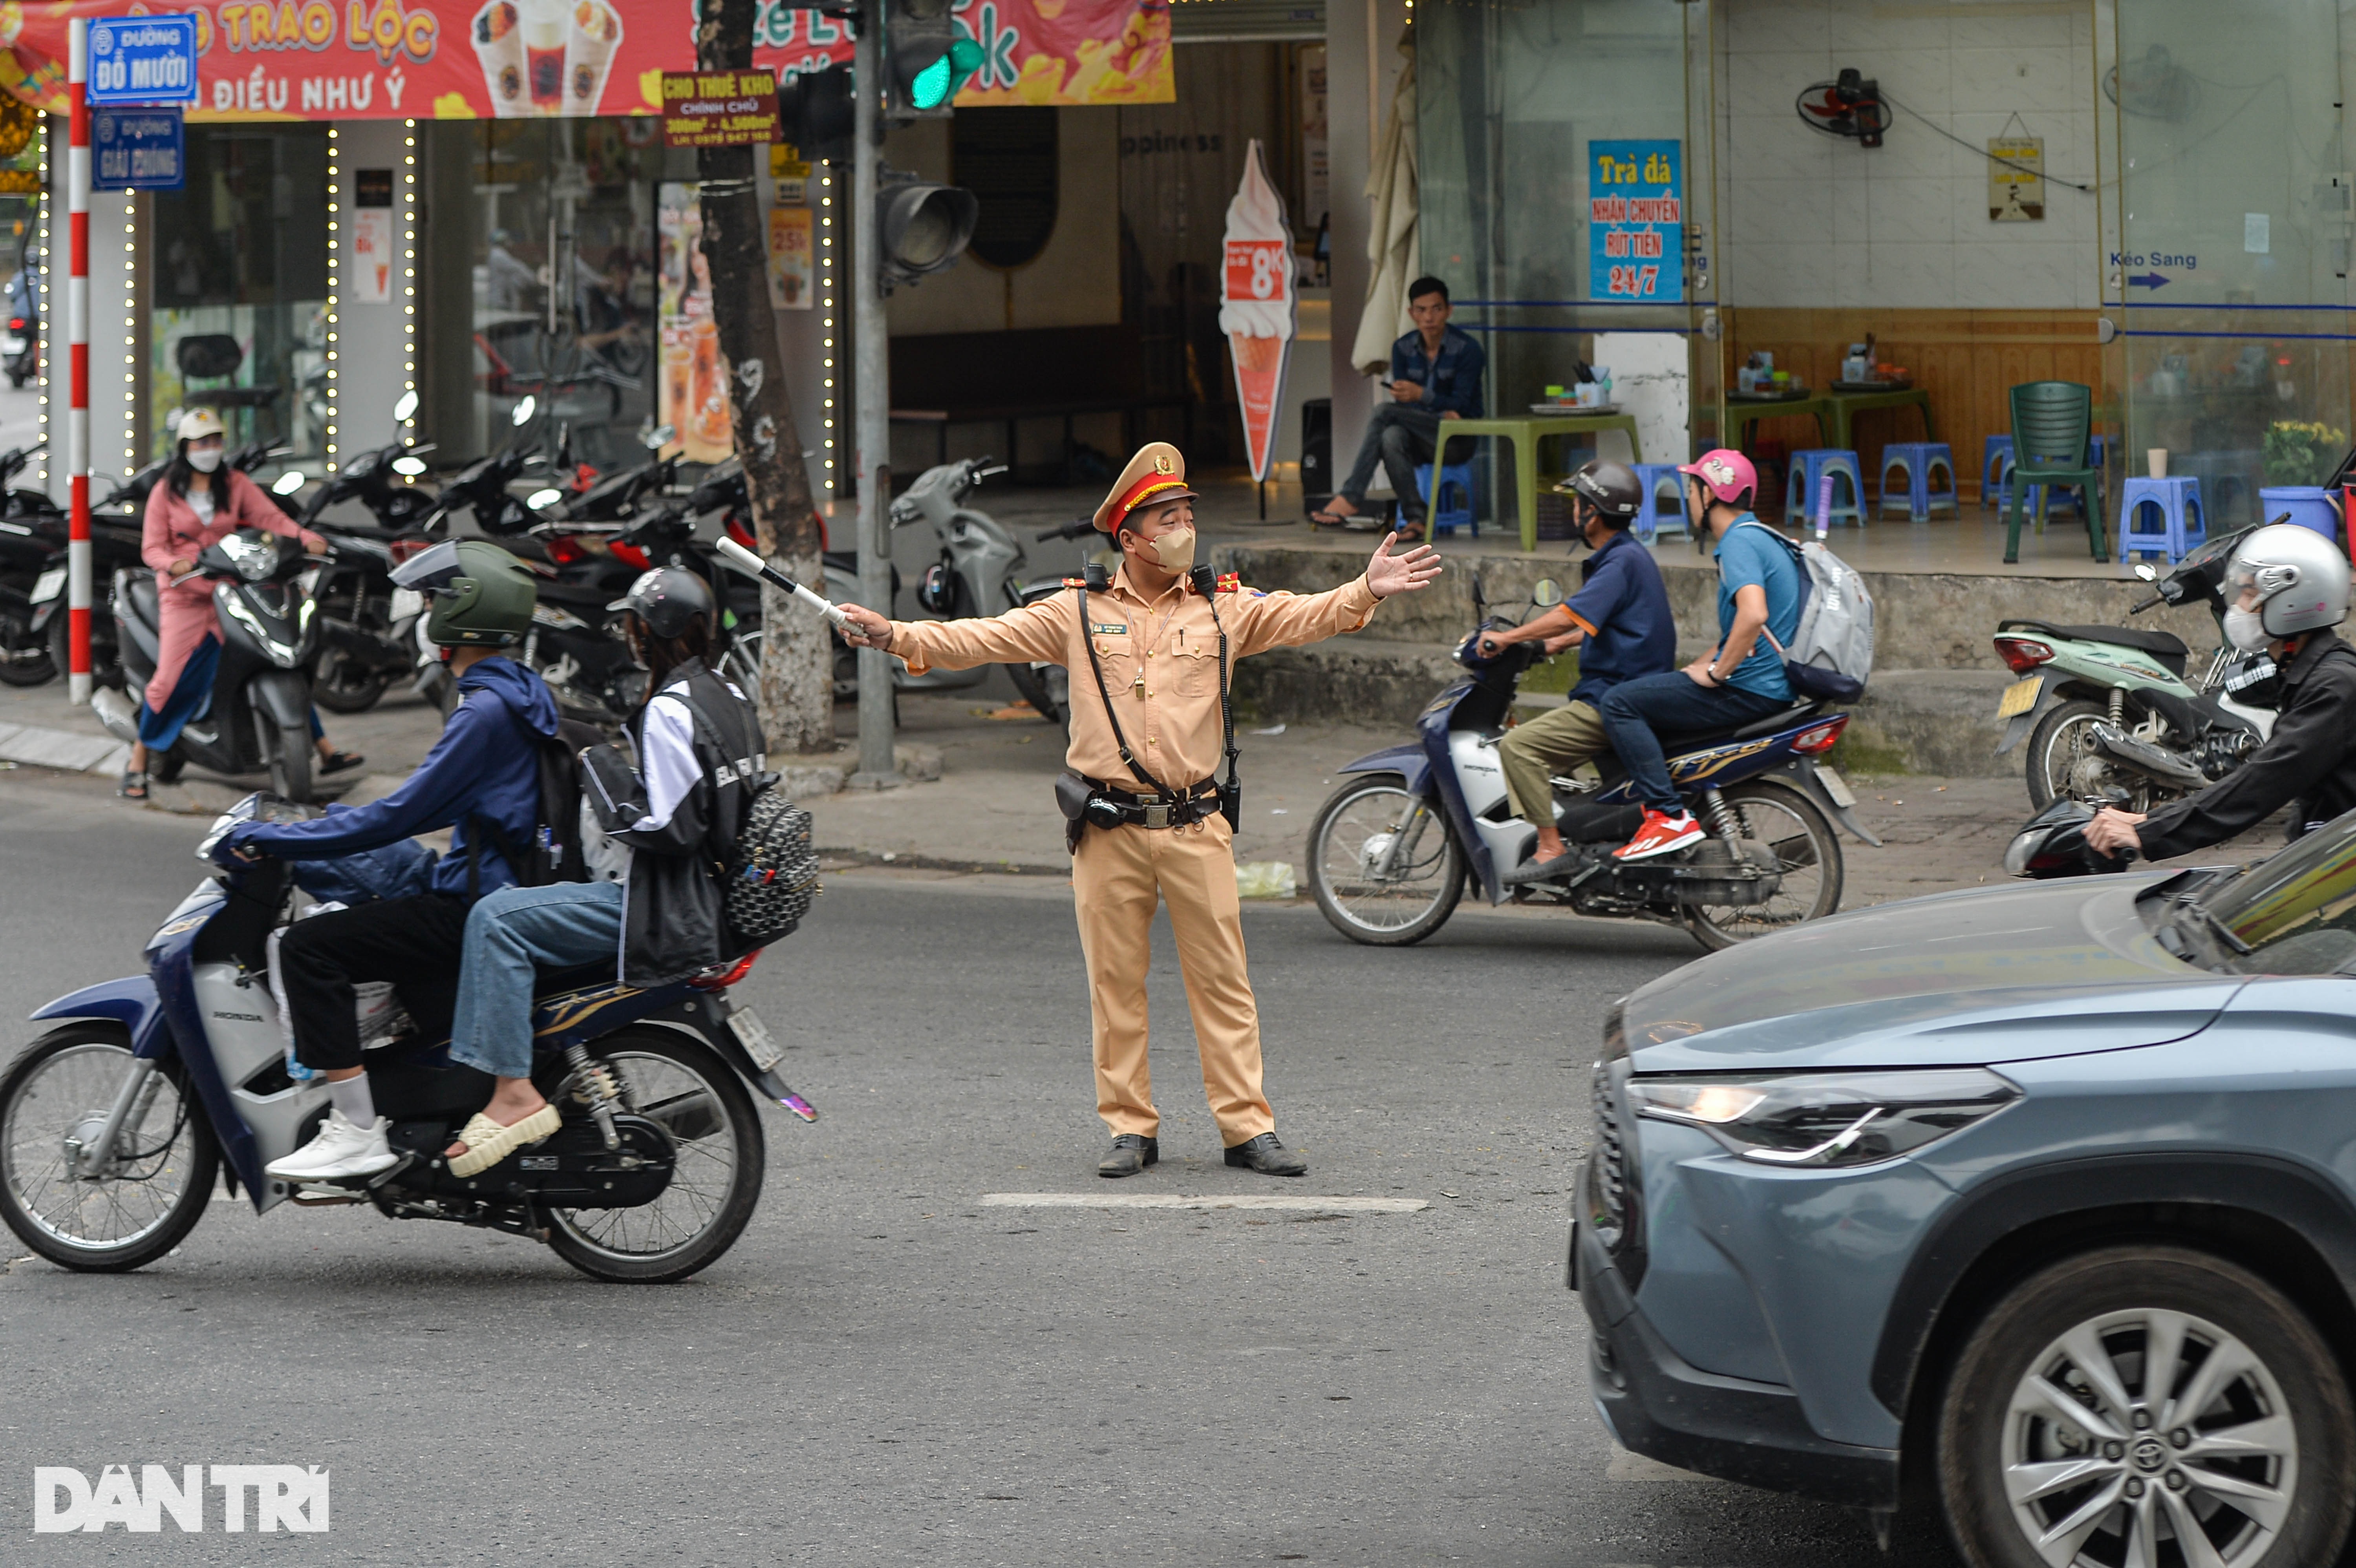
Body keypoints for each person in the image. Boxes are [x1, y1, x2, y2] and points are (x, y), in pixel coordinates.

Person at [837, 442, 1443, 1179]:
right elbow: (979, 637)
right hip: (1106, 827)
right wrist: (895, 634)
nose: (1183, 526)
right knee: (1114, 984)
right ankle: (1131, 1126)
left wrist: (1366, 589)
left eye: (1187, 513)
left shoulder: (1223, 606)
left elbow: (1303, 616)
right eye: (1167, 517)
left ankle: (1246, 1127)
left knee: (1224, 983)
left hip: (1195, 822)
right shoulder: (1076, 611)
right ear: (1129, 537)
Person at [211, 541, 561, 1184]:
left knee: (310, 948)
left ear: (462, 613)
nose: (422, 615)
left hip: (473, 904)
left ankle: (355, 1128)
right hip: (495, 883)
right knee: (381, 897)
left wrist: (280, 837)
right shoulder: (520, 689)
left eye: (431, 601)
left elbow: (397, 813)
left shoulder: (481, 713)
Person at [439, 567, 766, 1178]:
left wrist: (607, 783)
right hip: (714, 894)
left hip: (660, 902)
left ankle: (512, 1092)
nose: (628, 635)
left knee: (494, 919)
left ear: (652, 631)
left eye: (634, 625)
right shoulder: (729, 693)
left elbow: (670, 828)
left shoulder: (670, 708)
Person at [123, 408, 361, 801]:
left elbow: (269, 517)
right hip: (184, 595)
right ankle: (137, 760)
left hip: (233, 591)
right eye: (202, 442)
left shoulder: (234, 483)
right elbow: (152, 549)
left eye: (216, 440)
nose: (210, 449)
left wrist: (304, 536)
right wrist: (174, 563)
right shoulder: (165, 491)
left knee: (280, 656)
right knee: (168, 678)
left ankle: (323, 748)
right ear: (185, 448)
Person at [2085, 524, 2356, 863]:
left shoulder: (2333, 688)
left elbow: (2260, 785)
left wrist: (2146, 830)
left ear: (2291, 601)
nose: (2239, 606)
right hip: (2320, 862)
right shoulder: (2303, 673)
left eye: (2249, 593)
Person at [1598, 448, 1803, 862]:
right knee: (1662, 694)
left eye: (1692, 489)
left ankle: (1667, 816)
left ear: (1710, 496)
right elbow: (1747, 629)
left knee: (1619, 702)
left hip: (1750, 688)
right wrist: (1703, 663)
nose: (1690, 498)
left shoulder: (1739, 543)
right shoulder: (1763, 536)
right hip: (1772, 685)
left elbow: (1754, 613)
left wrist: (1719, 672)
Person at [1477, 462, 1677, 881]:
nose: (1573, 510)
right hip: (1628, 690)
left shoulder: (1620, 562)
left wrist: (1509, 639)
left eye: (1577, 503)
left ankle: (1551, 848)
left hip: (1613, 698)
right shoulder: (1630, 556)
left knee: (1519, 747)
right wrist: (1549, 645)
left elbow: (1571, 615)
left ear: (1593, 513)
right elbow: (1601, 626)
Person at [1310, 277, 1486, 541]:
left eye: (1436, 309)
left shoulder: (1468, 349)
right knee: (1391, 435)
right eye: (1422, 310)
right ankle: (1417, 520)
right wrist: (1432, 404)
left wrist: (1422, 396)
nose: (1429, 317)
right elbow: (1408, 406)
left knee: (1384, 412)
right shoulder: (1403, 348)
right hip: (1418, 436)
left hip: (1457, 438)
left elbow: (1462, 404)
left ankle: (1351, 496)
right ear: (1411, 313)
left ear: (1449, 310)